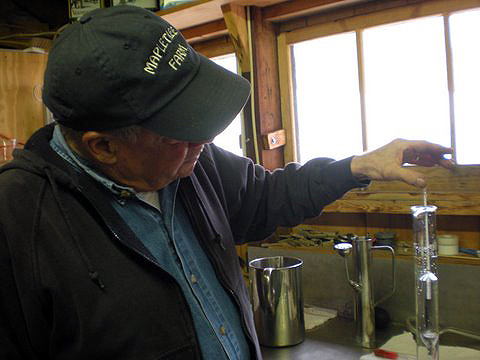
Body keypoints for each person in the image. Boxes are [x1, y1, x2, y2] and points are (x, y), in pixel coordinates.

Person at [0, 5, 454, 360]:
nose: (206, 137)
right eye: (180, 128)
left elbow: (267, 197)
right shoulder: (18, 220)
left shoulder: (191, 162)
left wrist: (359, 166)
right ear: (103, 147)